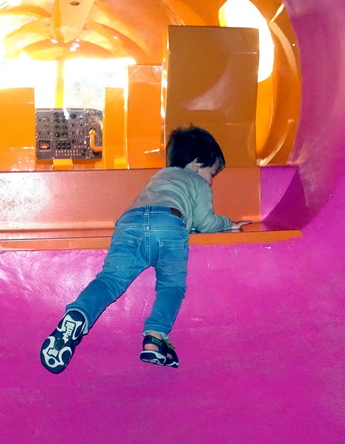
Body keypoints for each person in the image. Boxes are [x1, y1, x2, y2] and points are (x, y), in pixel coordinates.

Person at [39, 125, 250, 373]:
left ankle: (79, 314)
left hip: (129, 223)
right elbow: (206, 222)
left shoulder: (159, 178)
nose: (211, 182)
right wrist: (230, 224)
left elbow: (161, 210)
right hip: (170, 223)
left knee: (109, 280)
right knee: (171, 286)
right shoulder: (196, 182)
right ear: (196, 165)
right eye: (212, 174)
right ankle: (155, 338)